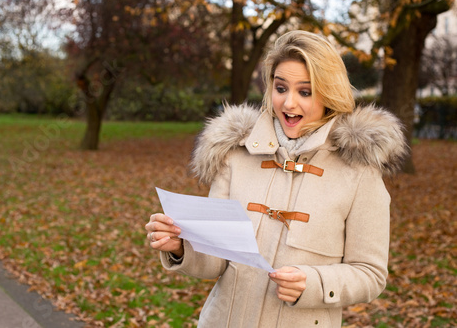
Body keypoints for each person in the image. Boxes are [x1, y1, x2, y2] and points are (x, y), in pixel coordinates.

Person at [145, 30, 408, 327]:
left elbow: (370, 274)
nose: (288, 103)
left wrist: (314, 283)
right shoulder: (235, 156)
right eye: (280, 88)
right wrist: (181, 247)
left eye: (305, 92)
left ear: (328, 94)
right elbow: (216, 260)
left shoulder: (360, 171)